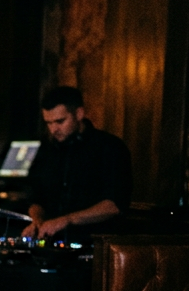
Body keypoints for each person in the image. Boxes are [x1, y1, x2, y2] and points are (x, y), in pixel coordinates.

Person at [21, 86, 133, 243]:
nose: (54, 129)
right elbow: (36, 197)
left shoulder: (110, 147)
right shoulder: (46, 150)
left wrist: (67, 219)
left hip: (94, 244)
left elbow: (114, 205)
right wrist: (37, 221)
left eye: (60, 121)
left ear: (79, 114)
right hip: (51, 243)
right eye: (48, 123)